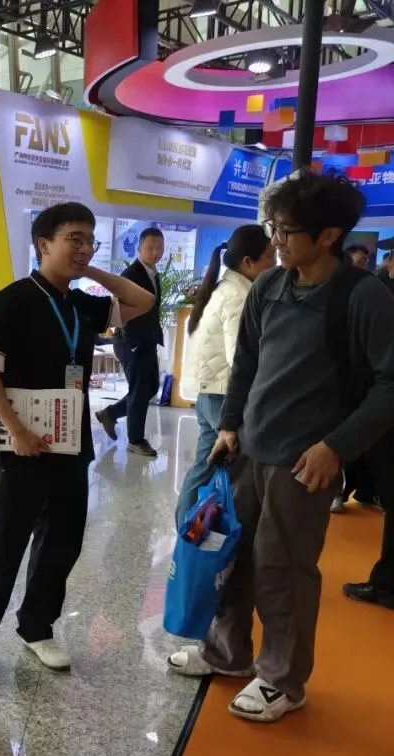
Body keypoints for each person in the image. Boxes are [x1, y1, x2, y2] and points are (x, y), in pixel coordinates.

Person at [168, 171, 394, 723]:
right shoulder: (270, 285)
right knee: (228, 553)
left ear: (328, 235)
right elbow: (245, 363)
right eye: (273, 227)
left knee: (284, 568)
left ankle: (282, 679)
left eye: (287, 231)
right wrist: (229, 425)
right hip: (247, 449)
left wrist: (336, 447)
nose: (275, 240)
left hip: (305, 462)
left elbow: (391, 384)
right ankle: (227, 653)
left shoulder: (362, 296)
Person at [0, 202, 155, 669]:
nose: (84, 247)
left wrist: (88, 268)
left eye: (90, 240)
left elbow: (143, 302)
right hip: (22, 446)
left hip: (71, 444)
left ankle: (37, 627)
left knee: (62, 542)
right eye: (74, 239)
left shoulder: (82, 305)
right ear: (43, 244)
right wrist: (16, 430)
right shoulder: (12, 301)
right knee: (2, 547)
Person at [175, 226, 275, 527]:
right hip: (223, 396)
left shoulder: (224, 289)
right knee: (223, 469)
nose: (274, 263)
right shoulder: (238, 296)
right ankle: (194, 529)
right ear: (248, 262)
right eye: (269, 257)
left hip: (211, 393)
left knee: (205, 466)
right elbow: (239, 358)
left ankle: (185, 529)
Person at [96, 227, 165, 457]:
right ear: (139, 248)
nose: (155, 252)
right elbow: (121, 310)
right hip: (131, 342)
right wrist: (132, 342)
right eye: (150, 247)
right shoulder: (131, 274)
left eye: (159, 247)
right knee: (139, 390)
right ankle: (136, 440)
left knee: (151, 387)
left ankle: (110, 413)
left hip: (147, 340)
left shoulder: (153, 273)